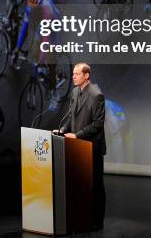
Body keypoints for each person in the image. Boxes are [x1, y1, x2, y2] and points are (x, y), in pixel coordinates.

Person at [58, 63, 106, 231]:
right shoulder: (74, 92)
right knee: (80, 184)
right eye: (73, 73)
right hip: (77, 147)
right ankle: (82, 218)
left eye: (76, 74)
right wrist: (63, 130)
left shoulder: (96, 95)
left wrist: (77, 135)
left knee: (95, 185)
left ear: (86, 76)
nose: (73, 76)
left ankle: (97, 222)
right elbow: (72, 117)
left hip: (92, 147)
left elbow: (98, 124)